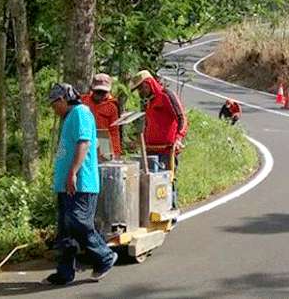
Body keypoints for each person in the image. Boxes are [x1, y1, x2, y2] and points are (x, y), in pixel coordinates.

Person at [42, 83, 117, 286]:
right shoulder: (69, 117)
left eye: (54, 103)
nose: (53, 108)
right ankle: (64, 273)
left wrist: (73, 173)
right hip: (66, 184)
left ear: (63, 99)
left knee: (78, 221)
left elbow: (84, 143)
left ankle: (104, 256)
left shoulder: (80, 112)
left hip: (81, 182)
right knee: (65, 231)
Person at [129, 70, 187, 210]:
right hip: (149, 151)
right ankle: (153, 212)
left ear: (148, 84)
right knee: (150, 184)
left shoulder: (166, 95)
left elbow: (182, 118)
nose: (140, 92)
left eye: (141, 88)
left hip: (166, 150)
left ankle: (170, 212)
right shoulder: (148, 101)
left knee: (166, 182)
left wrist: (178, 138)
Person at [81, 73, 122, 159]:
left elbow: (114, 131)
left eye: (103, 92)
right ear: (92, 89)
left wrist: (116, 152)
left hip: (104, 141)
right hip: (86, 139)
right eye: (98, 92)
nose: (100, 95)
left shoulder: (112, 107)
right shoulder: (83, 101)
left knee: (103, 166)